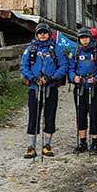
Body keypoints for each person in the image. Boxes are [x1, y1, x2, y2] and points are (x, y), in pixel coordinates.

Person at [20, 23, 68, 159]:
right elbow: (24, 66)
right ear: (36, 34)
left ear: (49, 34)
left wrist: (52, 78)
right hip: (34, 88)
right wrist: (33, 78)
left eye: (45, 32)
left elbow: (63, 65)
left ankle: (47, 145)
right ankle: (31, 147)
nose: (42, 35)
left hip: (50, 87)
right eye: (40, 32)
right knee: (33, 116)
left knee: (50, 115)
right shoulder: (30, 49)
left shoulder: (56, 49)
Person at [68, 27, 97, 155]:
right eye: (82, 38)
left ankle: (94, 142)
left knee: (94, 114)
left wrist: (96, 78)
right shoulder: (75, 52)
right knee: (81, 114)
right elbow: (71, 68)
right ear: (79, 39)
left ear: (90, 38)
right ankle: (83, 142)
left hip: (94, 87)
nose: (84, 40)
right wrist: (74, 77)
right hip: (80, 87)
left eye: (86, 38)